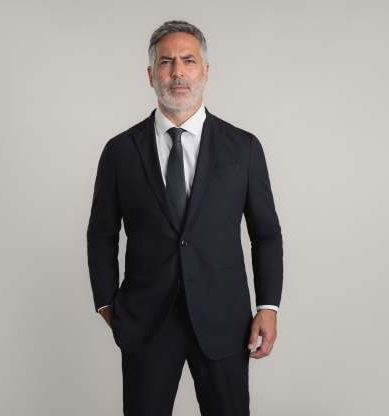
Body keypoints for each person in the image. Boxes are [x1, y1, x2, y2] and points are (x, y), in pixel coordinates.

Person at [87, 19, 283, 416]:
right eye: (166, 62)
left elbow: (266, 234)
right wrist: (107, 304)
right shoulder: (120, 151)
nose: (177, 72)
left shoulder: (243, 148)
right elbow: (101, 234)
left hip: (224, 319)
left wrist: (268, 306)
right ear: (150, 75)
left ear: (205, 71)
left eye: (188, 60)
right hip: (146, 321)